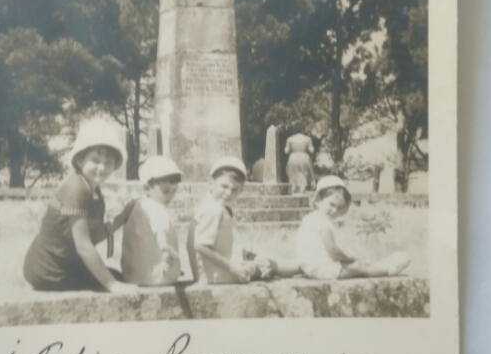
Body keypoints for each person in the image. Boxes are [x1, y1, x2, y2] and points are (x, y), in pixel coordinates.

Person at [23, 120, 138, 295]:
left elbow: (92, 237)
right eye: (96, 160)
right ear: (79, 160)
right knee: (118, 282)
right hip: (49, 270)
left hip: (64, 264)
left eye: (109, 162)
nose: (102, 167)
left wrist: (123, 217)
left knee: (123, 277)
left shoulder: (93, 192)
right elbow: (84, 247)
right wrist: (113, 285)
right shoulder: (75, 191)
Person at [188, 157, 298, 284]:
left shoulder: (209, 206)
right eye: (224, 186)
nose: (228, 193)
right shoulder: (213, 210)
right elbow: (200, 246)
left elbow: (219, 243)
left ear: (241, 190)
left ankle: (296, 265)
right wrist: (233, 267)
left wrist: (246, 255)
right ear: (210, 183)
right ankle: (301, 266)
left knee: (259, 260)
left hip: (214, 273)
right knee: (267, 264)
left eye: (235, 189)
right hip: (220, 276)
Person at [297, 175, 410, 280]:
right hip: (321, 270)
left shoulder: (310, 218)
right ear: (317, 201)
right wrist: (349, 260)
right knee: (359, 268)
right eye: (332, 204)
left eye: (340, 207)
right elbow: (332, 250)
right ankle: (388, 269)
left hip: (309, 266)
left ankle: (378, 265)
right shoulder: (323, 222)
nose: (335, 210)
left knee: (351, 263)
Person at [120, 156, 183, 285]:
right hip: (156, 278)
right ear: (146, 187)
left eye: (174, 191)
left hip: (133, 276)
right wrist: (165, 248)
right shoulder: (156, 208)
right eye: (165, 191)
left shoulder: (137, 204)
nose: (170, 195)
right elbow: (159, 229)